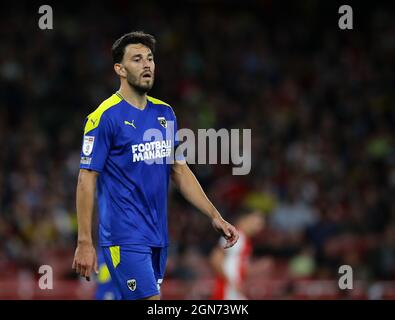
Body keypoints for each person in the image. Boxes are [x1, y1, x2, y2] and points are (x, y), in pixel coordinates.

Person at [71, 31, 239, 300]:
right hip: (123, 236)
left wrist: (214, 215)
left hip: (157, 237)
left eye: (150, 58)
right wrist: (84, 241)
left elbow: (180, 170)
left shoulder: (165, 113)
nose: (147, 64)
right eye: (137, 59)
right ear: (120, 69)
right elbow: (86, 178)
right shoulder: (104, 117)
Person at [210, 210, 265, 300]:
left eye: (261, 225)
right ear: (244, 220)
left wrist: (258, 267)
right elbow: (215, 259)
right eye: (256, 223)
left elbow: (239, 268)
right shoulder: (234, 236)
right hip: (227, 291)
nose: (258, 228)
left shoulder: (245, 240)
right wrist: (231, 283)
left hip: (233, 291)